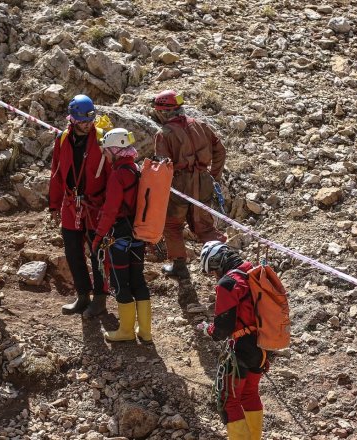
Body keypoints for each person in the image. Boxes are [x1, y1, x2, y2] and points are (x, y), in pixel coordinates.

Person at [152, 90, 227, 280]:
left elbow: (162, 166)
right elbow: (220, 150)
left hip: (179, 185)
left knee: (172, 225)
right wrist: (213, 177)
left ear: (164, 112)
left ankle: (179, 266)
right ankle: (223, 268)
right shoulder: (201, 125)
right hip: (203, 183)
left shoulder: (164, 134)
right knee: (205, 227)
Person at [49, 95, 110, 318]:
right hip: (70, 204)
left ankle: (100, 299)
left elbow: (112, 176)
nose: (87, 124)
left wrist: (112, 208)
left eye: (90, 120)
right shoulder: (62, 139)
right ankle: (83, 295)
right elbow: (56, 172)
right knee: (73, 252)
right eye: (83, 121)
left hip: (96, 206)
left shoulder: (103, 139)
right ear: (72, 119)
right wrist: (54, 205)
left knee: (98, 253)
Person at [200, 241, 268, 440]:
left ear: (217, 263)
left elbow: (222, 329)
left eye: (213, 271)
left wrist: (207, 329)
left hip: (241, 348)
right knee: (249, 395)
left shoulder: (228, 283)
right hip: (262, 346)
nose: (215, 275)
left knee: (228, 401)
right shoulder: (253, 272)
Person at [92, 128, 152, 343]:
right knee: (139, 280)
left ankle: (126, 331)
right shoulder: (136, 169)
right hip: (138, 234)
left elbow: (110, 210)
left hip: (119, 235)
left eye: (107, 151)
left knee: (121, 283)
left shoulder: (118, 175)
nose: (105, 155)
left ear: (115, 151)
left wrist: (98, 237)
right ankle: (145, 332)